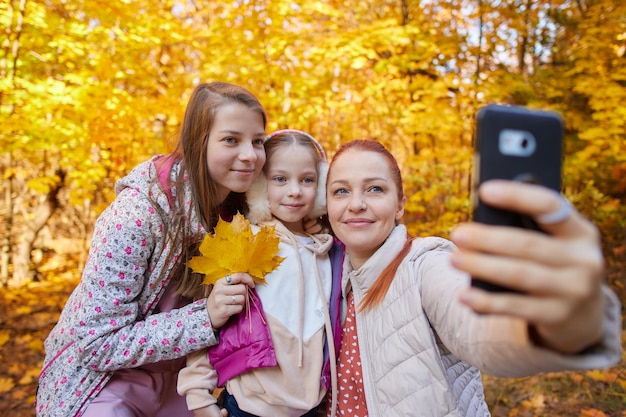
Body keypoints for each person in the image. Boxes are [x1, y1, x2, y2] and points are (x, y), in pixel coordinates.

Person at [323, 139, 622, 417]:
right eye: (341, 191)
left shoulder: (426, 265)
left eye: (375, 189)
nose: (356, 204)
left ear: (400, 204)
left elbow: (478, 332)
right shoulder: (330, 279)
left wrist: (558, 326)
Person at [36, 81, 271, 417]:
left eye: (258, 141)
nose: (249, 155)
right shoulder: (138, 213)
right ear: (198, 143)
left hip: (184, 384)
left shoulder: (245, 217)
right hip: (106, 384)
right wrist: (205, 318)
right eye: (231, 140)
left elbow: (303, 179)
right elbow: (96, 342)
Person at [177, 130, 343, 417]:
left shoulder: (329, 250)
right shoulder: (244, 243)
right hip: (248, 407)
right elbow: (210, 322)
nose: (295, 191)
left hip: (312, 409)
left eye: (307, 180)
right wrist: (199, 397)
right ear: (258, 187)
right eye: (280, 179)